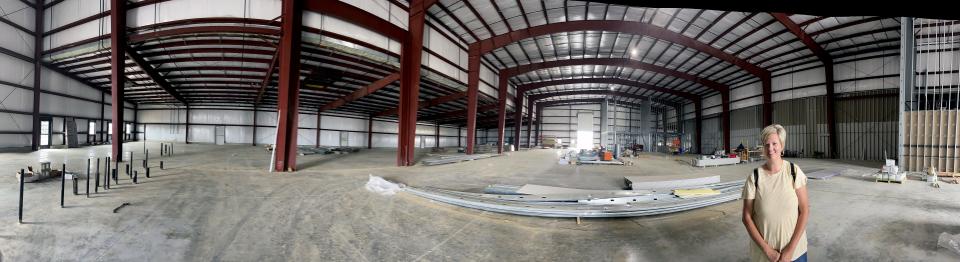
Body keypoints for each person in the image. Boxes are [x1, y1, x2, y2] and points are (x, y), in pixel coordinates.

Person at [742, 124, 810, 262]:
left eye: (774, 143)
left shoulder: (793, 171)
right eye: (766, 144)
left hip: (796, 254)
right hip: (764, 256)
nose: (770, 148)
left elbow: (804, 210)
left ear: (782, 145)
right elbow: (746, 217)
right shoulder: (755, 177)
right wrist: (768, 251)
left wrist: (790, 250)